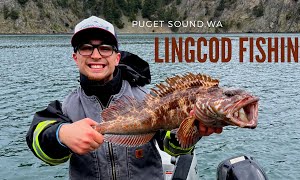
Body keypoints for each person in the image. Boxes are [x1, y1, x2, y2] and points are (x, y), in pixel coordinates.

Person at [26, 16, 223, 180]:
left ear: (117, 57)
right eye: (86, 48)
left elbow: (171, 146)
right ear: (76, 57)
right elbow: (39, 142)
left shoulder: (149, 100)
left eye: (105, 48)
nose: (96, 55)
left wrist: (193, 131)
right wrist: (62, 135)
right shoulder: (66, 107)